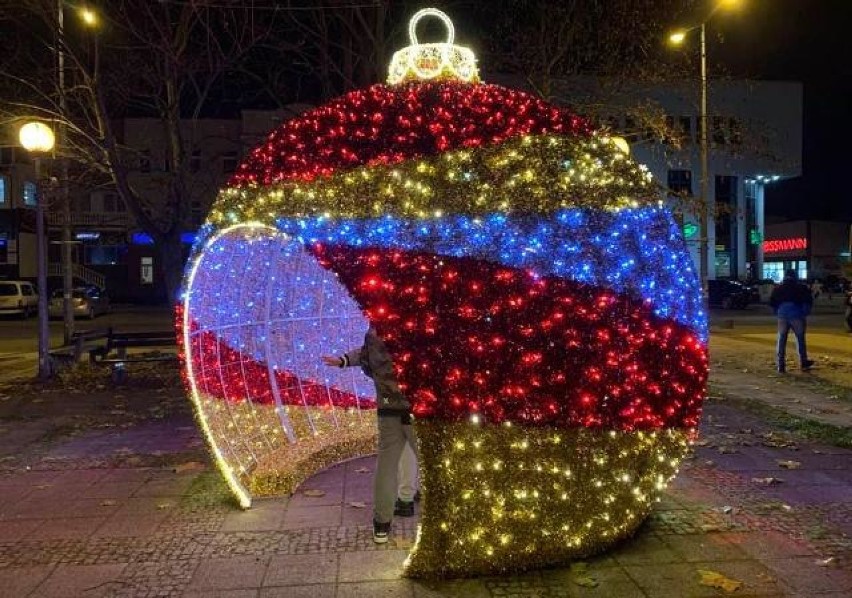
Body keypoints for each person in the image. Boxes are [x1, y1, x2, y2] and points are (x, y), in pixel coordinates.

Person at [322, 327, 418, 544]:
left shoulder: (375, 332)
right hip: (417, 408)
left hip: (388, 408)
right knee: (431, 464)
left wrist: (344, 360)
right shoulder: (418, 325)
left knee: (386, 466)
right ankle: (429, 511)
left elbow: (367, 356)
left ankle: (382, 525)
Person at [769, 269, 814, 373]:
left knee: (781, 339)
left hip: (782, 315)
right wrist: (804, 312)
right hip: (797, 314)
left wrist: (778, 311)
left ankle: (781, 365)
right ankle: (803, 362)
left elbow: (772, 302)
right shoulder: (800, 287)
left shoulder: (779, 288)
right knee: (800, 339)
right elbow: (808, 300)